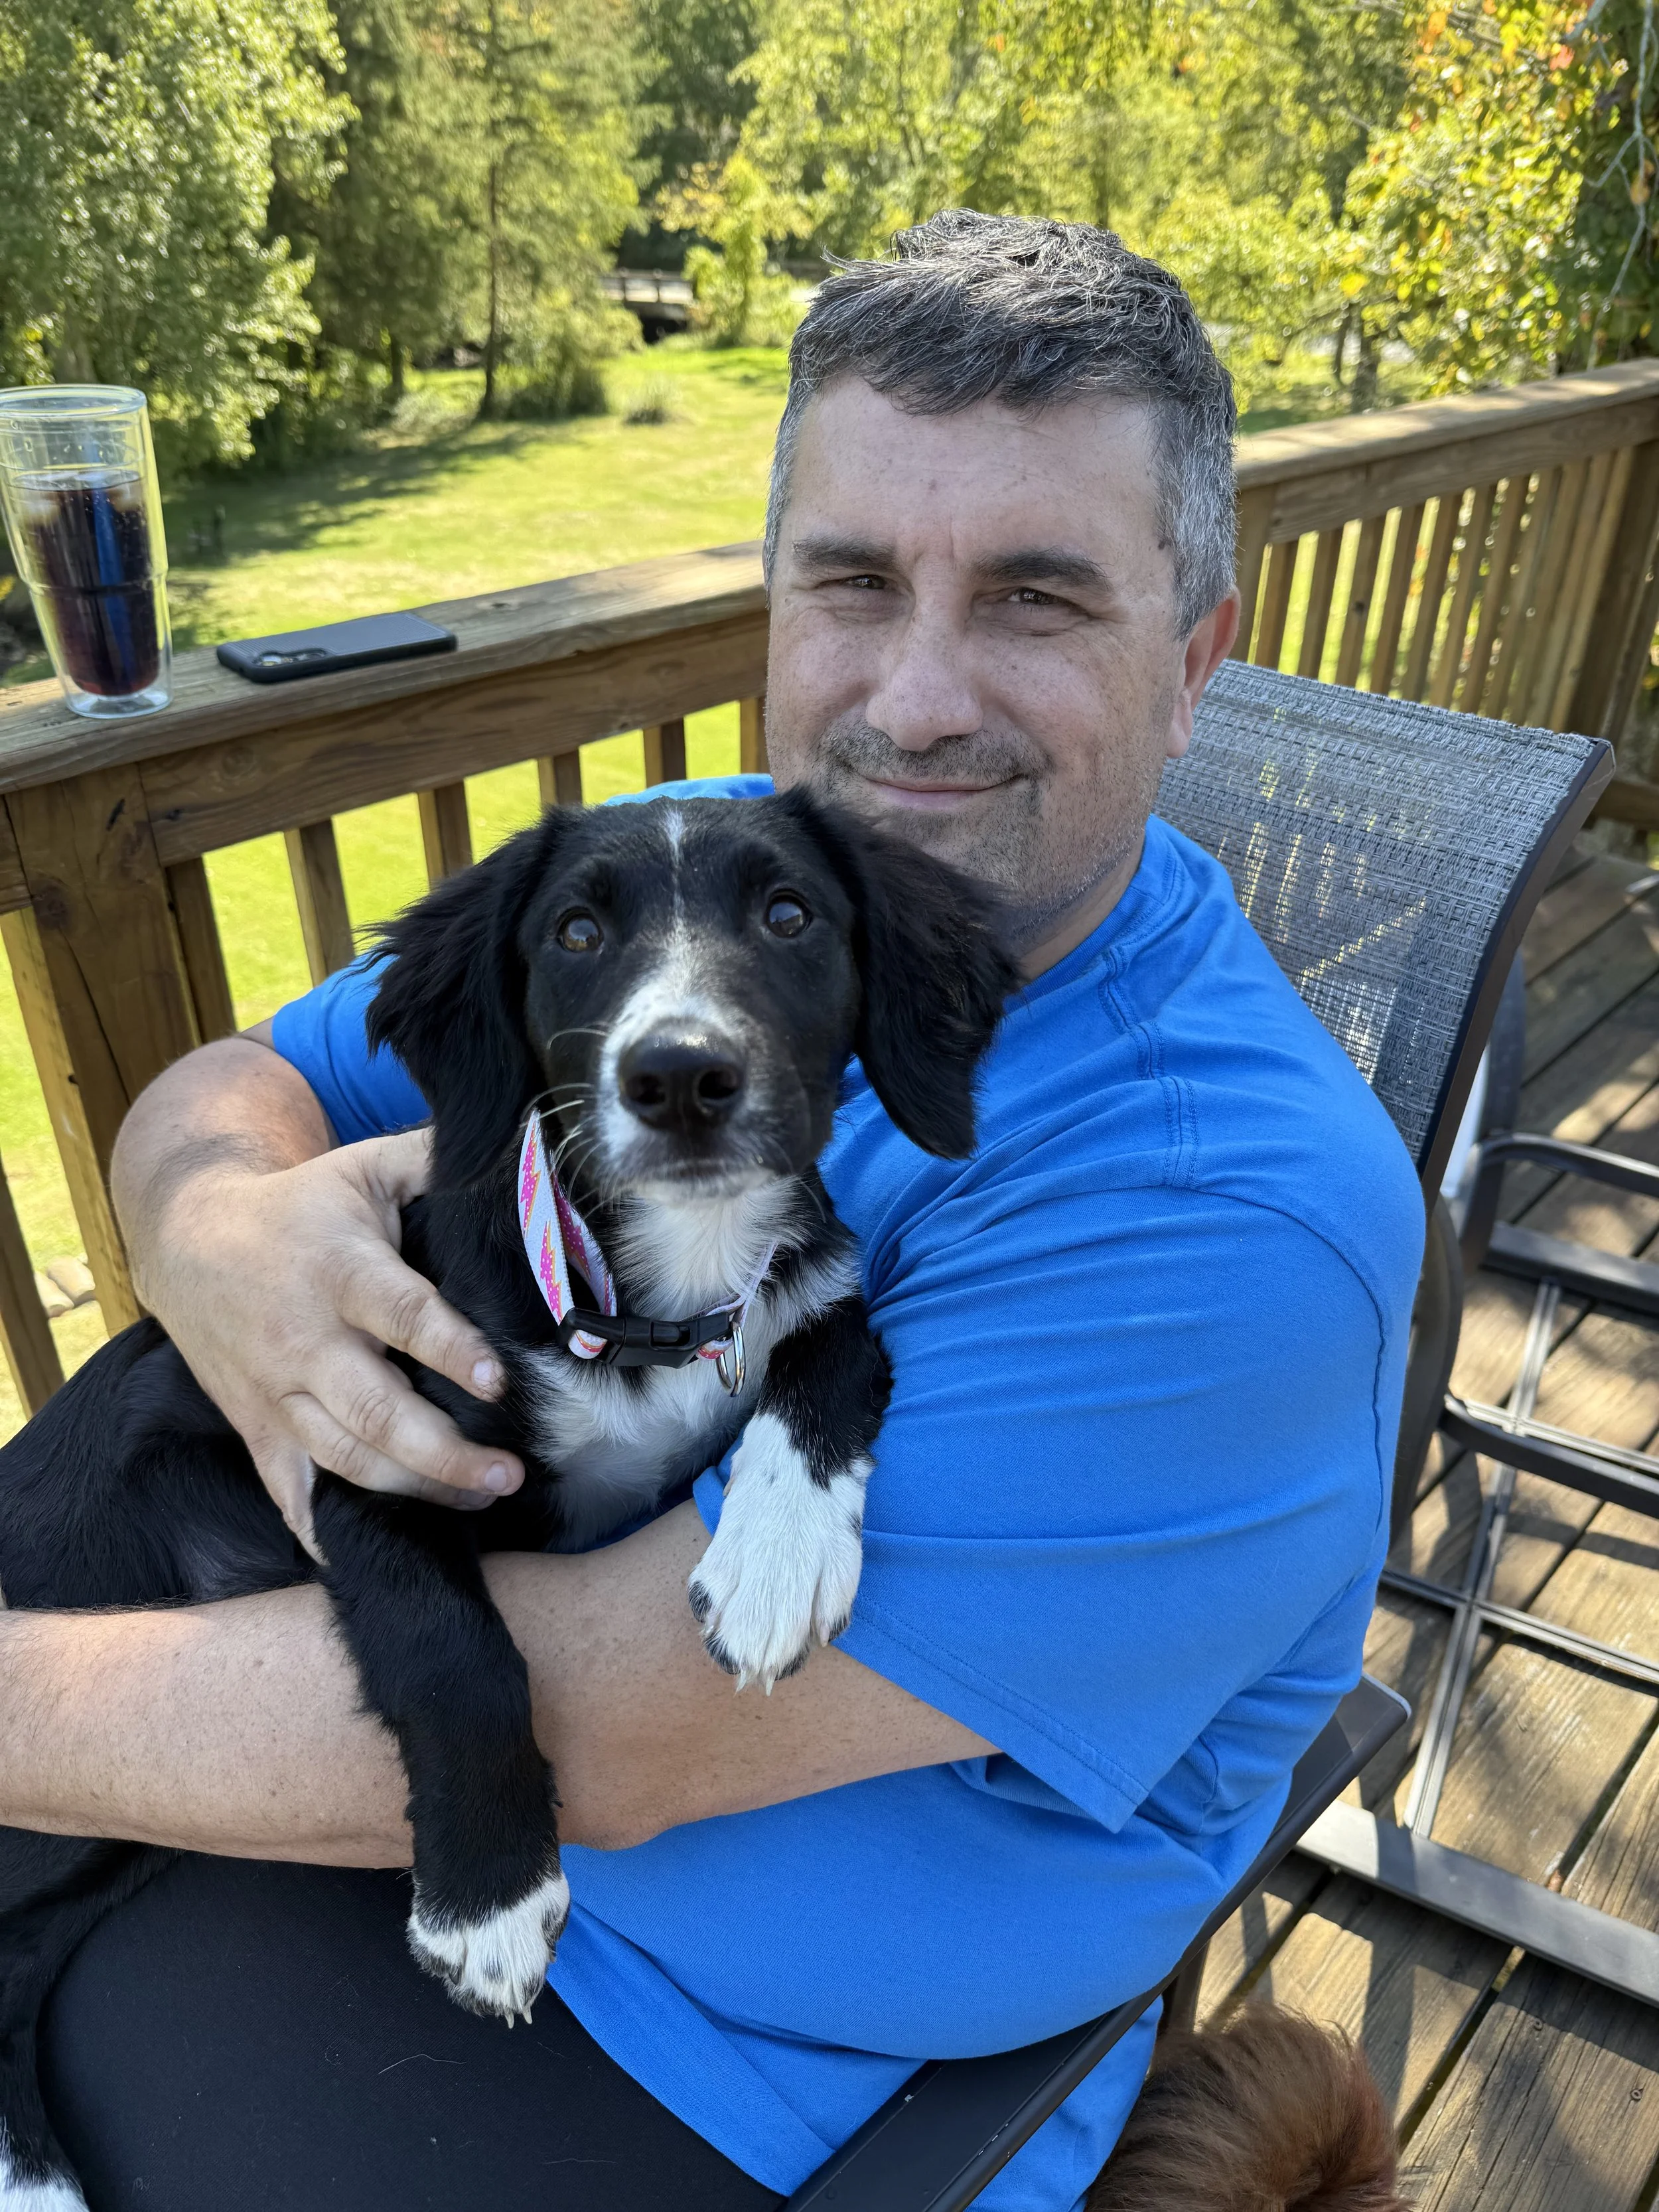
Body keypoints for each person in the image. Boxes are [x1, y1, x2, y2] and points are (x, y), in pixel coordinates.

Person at [0, 212, 1423, 2212]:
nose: (917, 699)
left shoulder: (1226, 1223)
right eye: (850, 579)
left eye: (1034, 597)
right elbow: (239, 1083)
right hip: (392, 1827)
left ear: (1191, 657)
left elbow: (613, 1728)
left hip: (737, 2055)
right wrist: (217, 1231)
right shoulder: (720, 917)